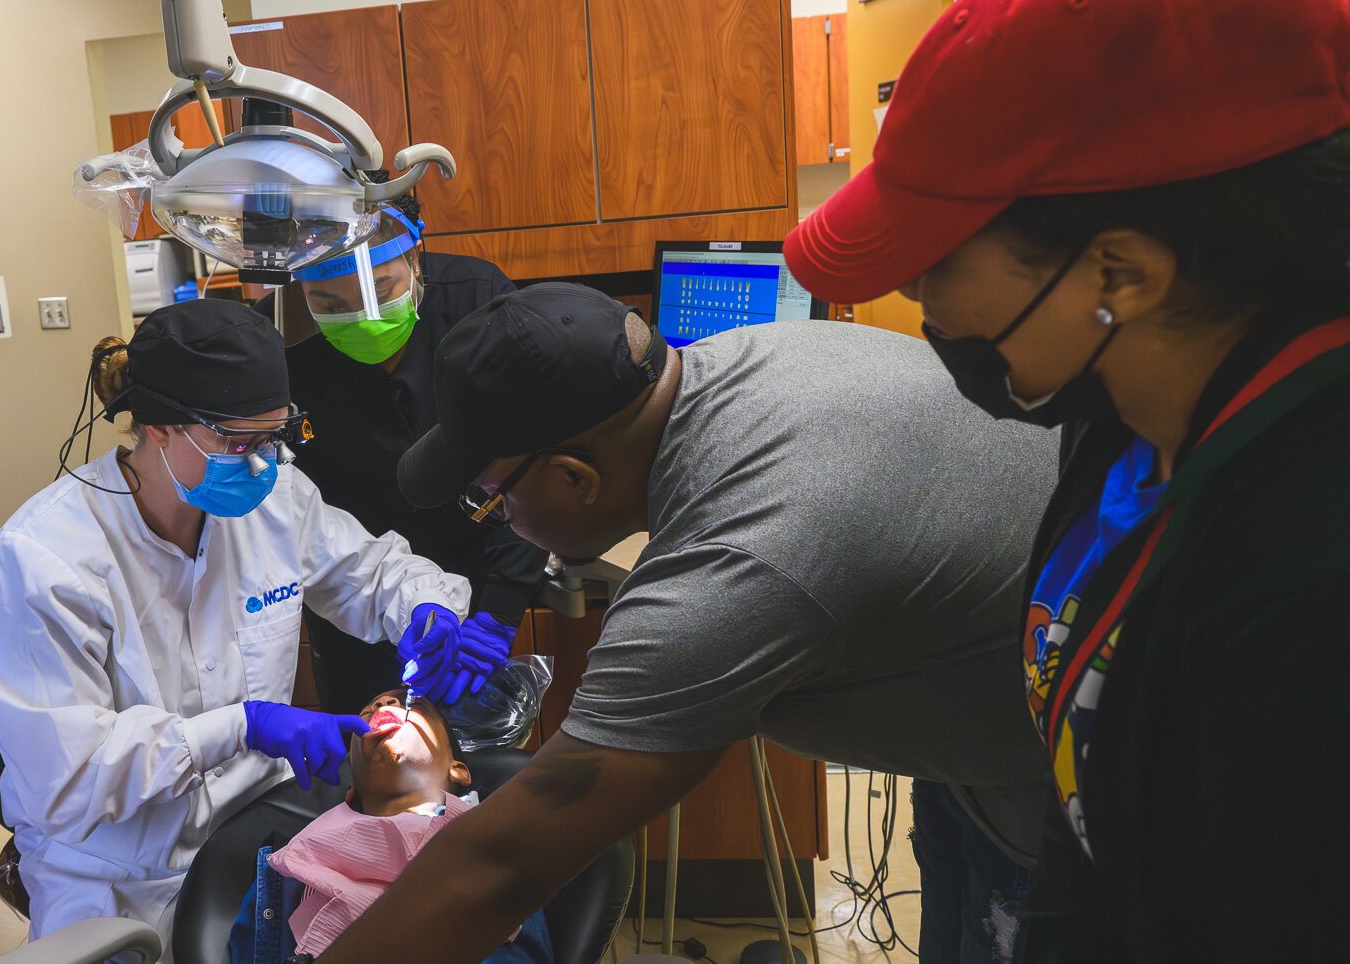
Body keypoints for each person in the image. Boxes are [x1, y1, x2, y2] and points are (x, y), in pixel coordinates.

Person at [781, 0, 1350, 959]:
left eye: (936, 259)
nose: (918, 297)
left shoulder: (1308, 573)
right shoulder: (1122, 420)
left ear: (1122, 271)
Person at [313, 282, 1060, 963]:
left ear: (576, 476)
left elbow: (501, 866)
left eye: (492, 499)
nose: (502, 518)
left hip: (1073, 779)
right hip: (984, 743)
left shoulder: (729, 570)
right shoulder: (749, 355)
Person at [0, 300, 473, 956]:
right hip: (116, 876)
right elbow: (71, 781)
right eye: (239, 442)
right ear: (158, 427)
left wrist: (429, 610)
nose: (264, 463)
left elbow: (369, 573)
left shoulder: (276, 500)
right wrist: (244, 725)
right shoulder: (44, 560)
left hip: (255, 841)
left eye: (276, 437)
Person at [255, 178, 548, 713]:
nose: (361, 316)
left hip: (480, 571)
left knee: (468, 748)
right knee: (374, 751)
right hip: (353, 592)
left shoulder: (480, 303)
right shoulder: (278, 338)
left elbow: (534, 455)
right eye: (328, 300)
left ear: (416, 254)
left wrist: (499, 612)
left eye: (381, 289)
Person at [228, 687, 553, 963]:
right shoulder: (289, 872)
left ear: (458, 770)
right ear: (351, 784)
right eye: (372, 708)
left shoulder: (496, 851)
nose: (383, 704)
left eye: (411, 704)